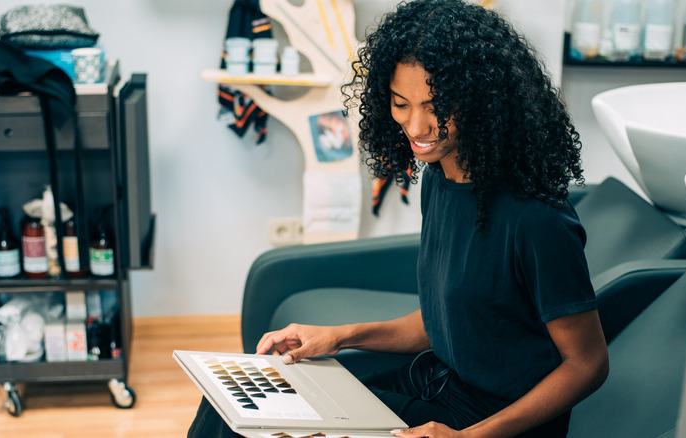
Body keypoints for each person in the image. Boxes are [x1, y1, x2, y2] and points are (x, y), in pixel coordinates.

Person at [188, 1, 608, 437]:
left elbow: (588, 363)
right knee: (231, 407)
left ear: (481, 99)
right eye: (401, 104)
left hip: (488, 423)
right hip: (434, 386)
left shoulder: (536, 218)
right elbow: (444, 321)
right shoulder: (440, 179)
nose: (417, 126)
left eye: (436, 106)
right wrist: (337, 336)